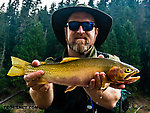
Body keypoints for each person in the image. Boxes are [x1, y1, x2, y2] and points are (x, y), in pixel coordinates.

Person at [24, 4, 126, 113]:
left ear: (96, 32)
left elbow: (112, 101)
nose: (80, 31)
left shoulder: (111, 62)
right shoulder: (51, 64)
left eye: (87, 26)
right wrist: (42, 88)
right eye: (73, 25)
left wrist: (95, 89)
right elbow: (42, 104)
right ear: (65, 31)